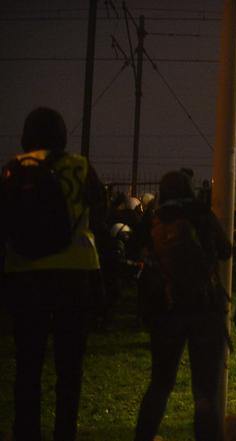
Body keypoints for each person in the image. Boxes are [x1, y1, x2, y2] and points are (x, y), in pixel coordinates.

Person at [0, 107, 106, 441]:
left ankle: (25, 432)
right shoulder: (80, 167)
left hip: (25, 276)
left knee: (27, 364)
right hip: (74, 276)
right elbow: (100, 217)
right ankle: (64, 432)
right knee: (69, 369)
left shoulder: (14, 170)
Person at [133, 170, 232, 441]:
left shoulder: (153, 218)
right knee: (204, 392)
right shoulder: (200, 213)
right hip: (205, 309)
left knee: (160, 384)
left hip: (166, 310)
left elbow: (136, 250)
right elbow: (226, 250)